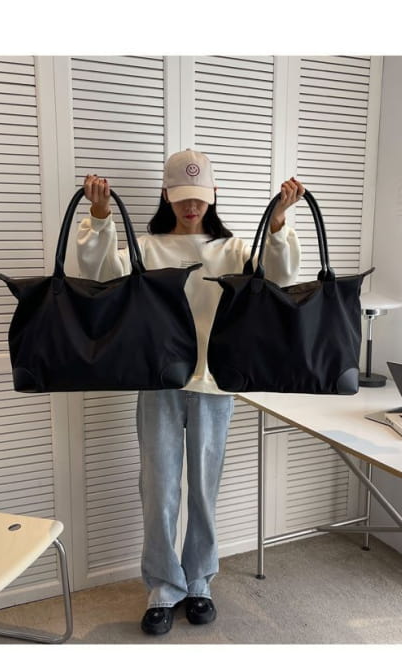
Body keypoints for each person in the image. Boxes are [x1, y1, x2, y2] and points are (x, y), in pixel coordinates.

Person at [77, 149, 303, 635]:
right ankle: (163, 586)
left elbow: (281, 280)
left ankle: (199, 580)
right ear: (167, 195)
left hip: (215, 382)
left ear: (213, 194)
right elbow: (99, 278)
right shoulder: (146, 247)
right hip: (158, 381)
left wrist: (278, 222)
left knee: (204, 489)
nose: (191, 206)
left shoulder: (234, 249)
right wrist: (99, 216)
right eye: (182, 197)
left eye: (199, 197)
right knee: (158, 489)